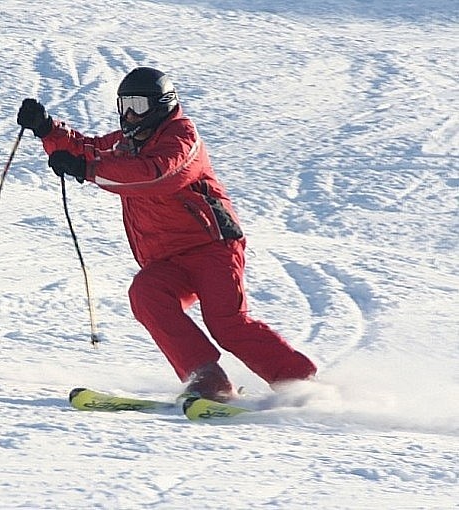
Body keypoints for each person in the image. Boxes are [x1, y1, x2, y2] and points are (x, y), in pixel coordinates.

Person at [17, 67, 316, 402]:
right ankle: (208, 380)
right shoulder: (126, 143)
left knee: (226, 324)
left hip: (211, 248)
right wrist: (47, 130)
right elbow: (86, 148)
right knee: (146, 293)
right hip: (166, 259)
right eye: (124, 105)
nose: (130, 115)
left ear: (162, 105)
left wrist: (89, 171)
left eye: (139, 106)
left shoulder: (182, 139)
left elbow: (158, 175)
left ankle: (300, 384)